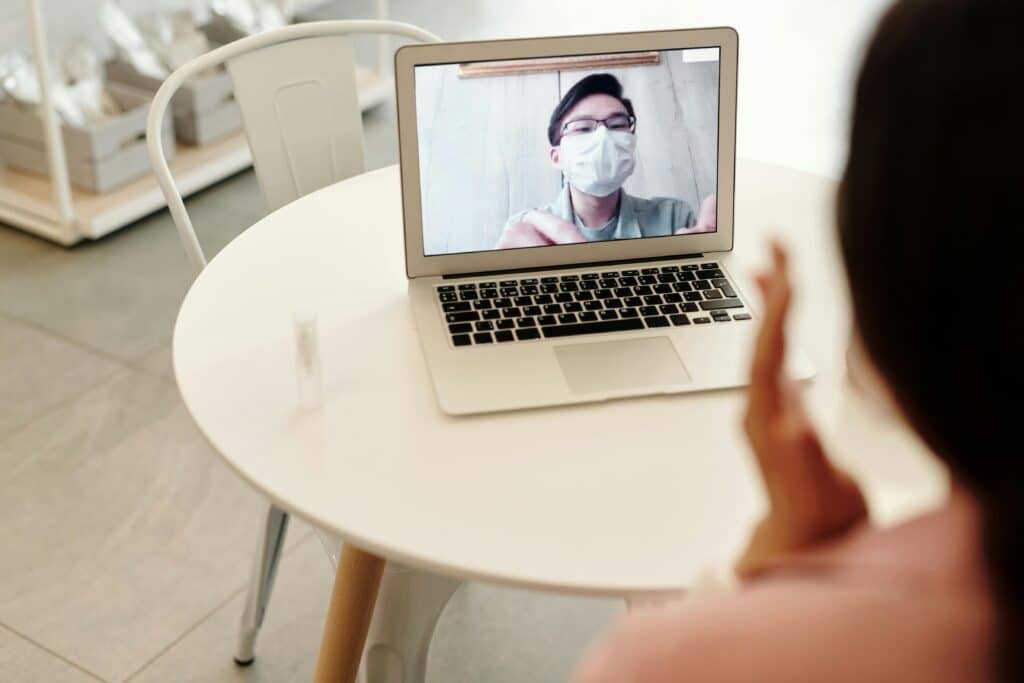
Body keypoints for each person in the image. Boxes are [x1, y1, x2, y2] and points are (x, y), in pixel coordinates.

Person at [573, 0, 1022, 680]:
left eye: (617, 125)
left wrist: (771, 569)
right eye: (583, 128)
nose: (603, 142)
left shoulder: (671, 658)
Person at [495, 73, 716, 249]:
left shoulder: (673, 217)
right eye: (582, 128)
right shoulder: (528, 229)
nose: (603, 137)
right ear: (557, 157)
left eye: (617, 125)